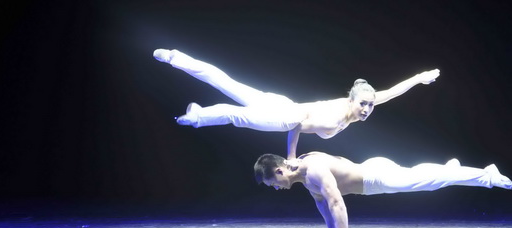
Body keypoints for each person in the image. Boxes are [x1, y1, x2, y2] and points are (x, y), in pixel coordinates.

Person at [153, 49, 440, 159]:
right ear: (352, 100)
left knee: (226, 82)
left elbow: (392, 92)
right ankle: (197, 115)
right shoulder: (335, 118)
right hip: (282, 116)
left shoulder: (363, 103)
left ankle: (176, 61)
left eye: (370, 106)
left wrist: (419, 78)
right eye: (363, 104)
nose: (367, 109)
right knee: (235, 115)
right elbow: (297, 127)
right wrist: (290, 158)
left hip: (283, 104)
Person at [253, 152, 512, 228]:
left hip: (375, 177)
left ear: (279, 171)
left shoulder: (313, 170)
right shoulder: (303, 177)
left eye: (272, 184)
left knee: (425, 183)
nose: (275, 188)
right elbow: (322, 204)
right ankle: (451, 170)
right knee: (424, 180)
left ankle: (487, 175)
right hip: (372, 171)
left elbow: (335, 202)